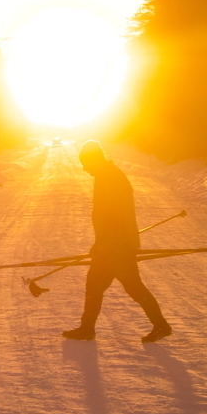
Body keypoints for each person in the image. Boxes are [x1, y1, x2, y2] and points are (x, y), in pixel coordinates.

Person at [62, 142, 172, 343]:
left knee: (134, 287)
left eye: (86, 164)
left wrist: (109, 243)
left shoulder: (111, 178)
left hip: (119, 246)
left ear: (95, 160)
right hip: (110, 246)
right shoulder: (105, 175)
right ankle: (87, 329)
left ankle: (161, 326)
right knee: (94, 285)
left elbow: (118, 216)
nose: (84, 169)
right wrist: (100, 243)